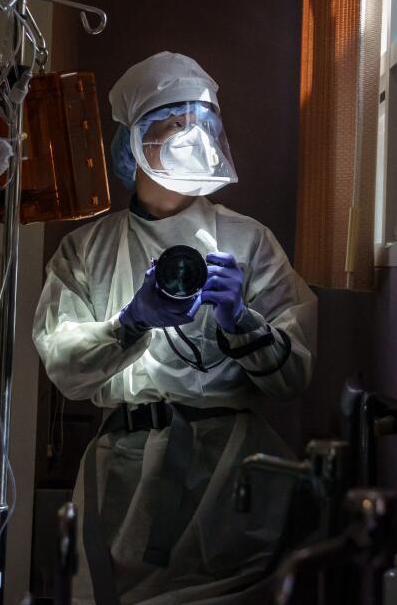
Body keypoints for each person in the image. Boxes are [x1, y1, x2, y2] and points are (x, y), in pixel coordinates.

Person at [32, 51, 318, 604]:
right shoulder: (89, 250)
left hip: (232, 474)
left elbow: (294, 376)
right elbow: (65, 366)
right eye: (173, 122)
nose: (192, 136)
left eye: (202, 123)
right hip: (124, 476)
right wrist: (132, 321)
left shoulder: (248, 243)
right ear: (133, 142)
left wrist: (242, 321)